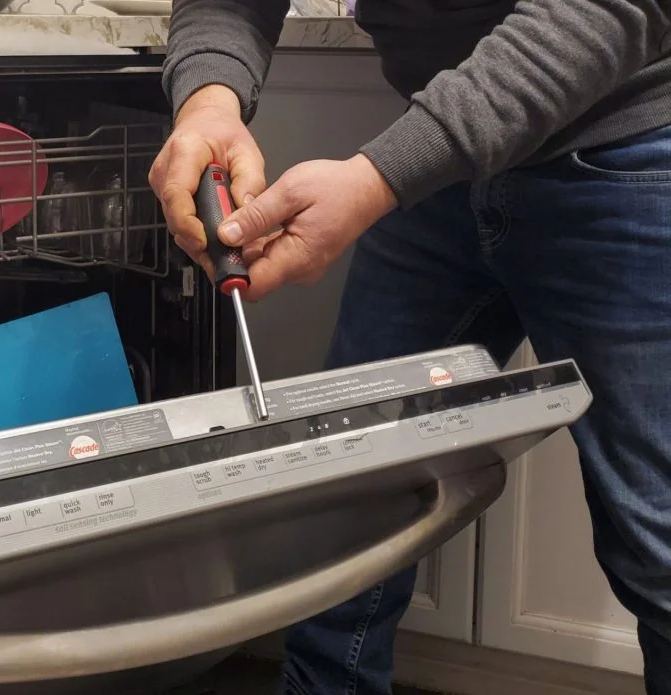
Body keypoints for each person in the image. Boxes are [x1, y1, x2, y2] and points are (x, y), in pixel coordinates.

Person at [149, 0, 671, 693]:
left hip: (621, 150)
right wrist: (209, 104)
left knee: (658, 541)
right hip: (434, 171)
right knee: (345, 496)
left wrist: (380, 176)